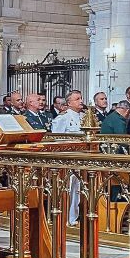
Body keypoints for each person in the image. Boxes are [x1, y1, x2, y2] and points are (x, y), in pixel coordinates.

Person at [52, 90, 84, 226]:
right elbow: (56, 137)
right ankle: (65, 217)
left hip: (81, 158)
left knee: (78, 189)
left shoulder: (84, 116)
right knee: (68, 188)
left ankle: (74, 217)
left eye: (81, 98)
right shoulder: (63, 117)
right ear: (69, 103)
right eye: (77, 99)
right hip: (67, 158)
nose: (81, 101)